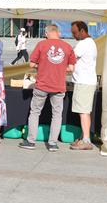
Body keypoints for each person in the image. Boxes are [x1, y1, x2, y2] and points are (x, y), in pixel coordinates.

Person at [19, 24, 76, 152]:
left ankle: (30, 141)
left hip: (42, 85)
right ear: (58, 33)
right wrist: (60, 68)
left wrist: (43, 67)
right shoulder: (67, 47)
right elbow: (71, 68)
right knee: (57, 115)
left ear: (46, 33)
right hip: (59, 86)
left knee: (35, 112)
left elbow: (32, 63)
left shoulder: (41, 45)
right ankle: (52, 143)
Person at [69, 21, 98, 151]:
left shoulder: (83, 43)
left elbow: (71, 57)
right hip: (86, 81)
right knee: (85, 111)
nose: (73, 35)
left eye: (74, 32)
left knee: (84, 112)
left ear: (82, 30)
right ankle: (83, 137)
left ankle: (86, 140)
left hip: (84, 82)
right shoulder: (90, 42)